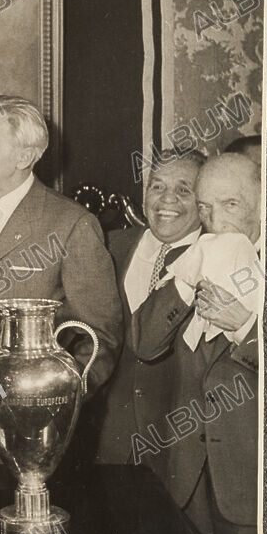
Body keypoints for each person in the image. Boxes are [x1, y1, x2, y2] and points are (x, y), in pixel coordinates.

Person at [0, 95, 122, 464]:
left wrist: (47, 407)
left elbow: (99, 340)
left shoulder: (72, 225)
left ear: (24, 157)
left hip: (24, 430)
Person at [131, 153, 260, 534]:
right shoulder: (202, 253)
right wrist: (186, 280)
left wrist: (246, 328)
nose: (215, 220)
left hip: (251, 482)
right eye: (205, 207)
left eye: (230, 205)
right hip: (186, 474)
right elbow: (144, 343)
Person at [83, 150, 204, 468]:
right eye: (157, 186)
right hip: (111, 442)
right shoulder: (109, 247)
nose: (167, 200)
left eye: (183, 190)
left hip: (183, 448)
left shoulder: (219, 255)